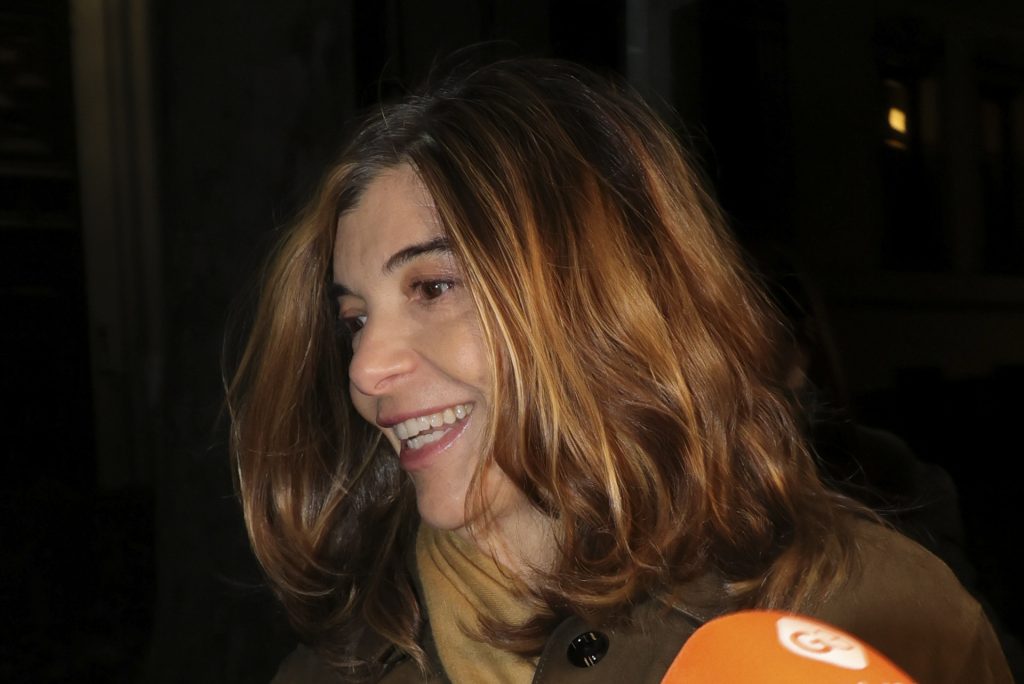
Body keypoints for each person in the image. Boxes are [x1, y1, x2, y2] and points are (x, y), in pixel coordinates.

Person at [227, 58, 1011, 683]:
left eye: (432, 288)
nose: (367, 369)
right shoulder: (333, 673)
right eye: (355, 321)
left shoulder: (880, 617)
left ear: (599, 296)